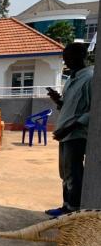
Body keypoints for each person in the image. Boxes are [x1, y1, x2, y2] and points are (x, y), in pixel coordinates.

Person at [46, 43, 93, 217]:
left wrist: (71, 127)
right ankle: (66, 206)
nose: (65, 60)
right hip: (65, 134)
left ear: (80, 56)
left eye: (68, 56)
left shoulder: (90, 79)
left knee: (74, 173)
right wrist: (57, 100)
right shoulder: (71, 79)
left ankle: (73, 211)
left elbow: (93, 110)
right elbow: (68, 106)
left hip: (76, 134)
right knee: (65, 173)